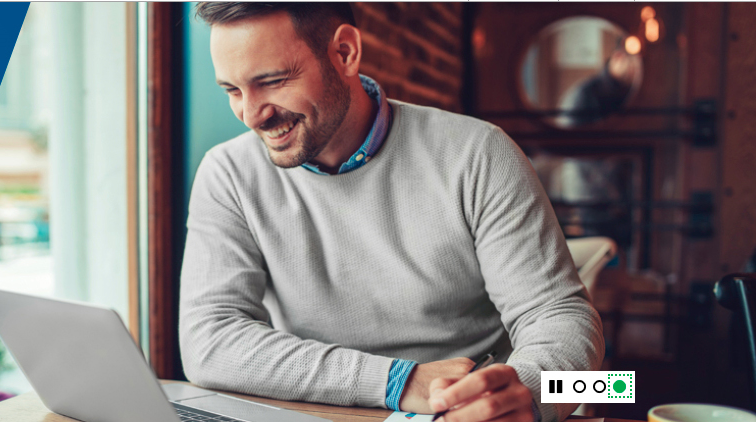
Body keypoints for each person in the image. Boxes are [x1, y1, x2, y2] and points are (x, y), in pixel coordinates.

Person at [178, 4, 604, 422]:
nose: (251, 115)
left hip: (464, 412)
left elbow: (567, 324)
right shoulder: (227, 175)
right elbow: (207, 342)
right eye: (232, 90)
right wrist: (398, 381)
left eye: (271, 81)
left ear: (344, 52)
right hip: (320, 413)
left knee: (622, 383)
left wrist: (531, 393)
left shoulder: (480, 153)